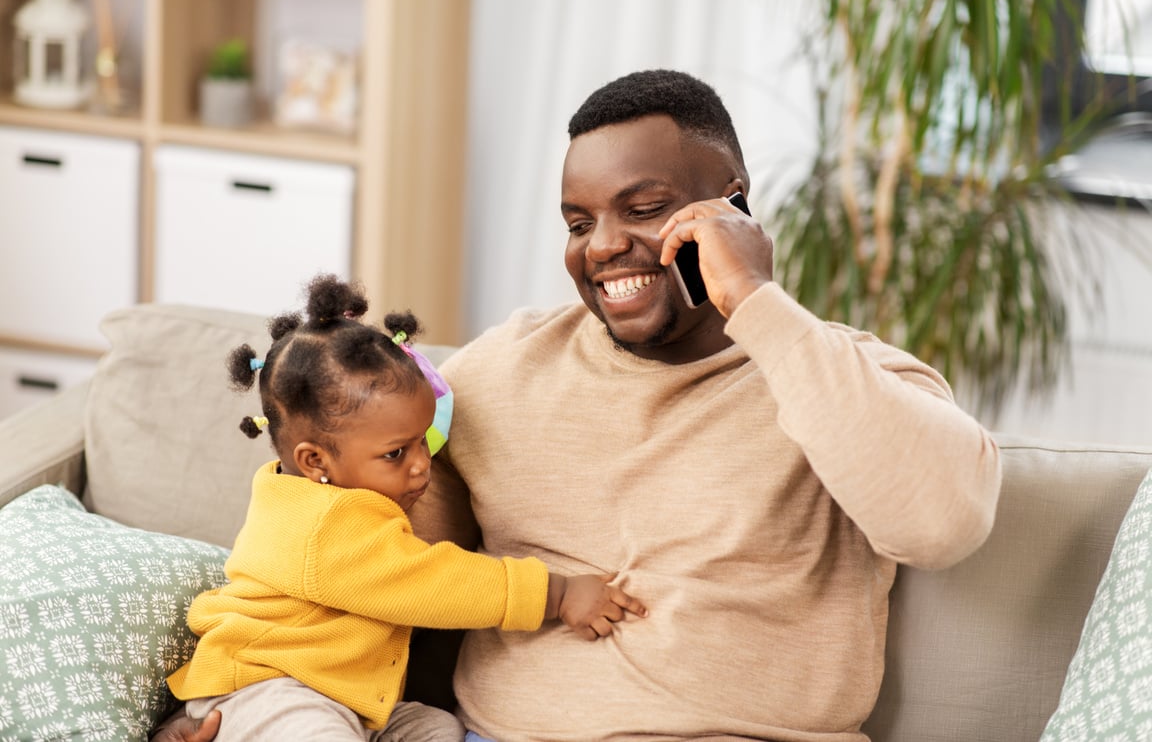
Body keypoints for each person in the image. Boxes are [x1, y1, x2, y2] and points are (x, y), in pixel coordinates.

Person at [157, 69, 1001, 742]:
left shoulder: (837, 373)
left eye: (644, 209)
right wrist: (227, 715)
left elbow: (943, 524)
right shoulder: (502, 372)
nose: (601, 246)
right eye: (577, 221)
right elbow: (343, 561)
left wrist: (757, 305)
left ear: (734, 204)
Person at [161, 274, 647, 742]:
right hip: (269, 688)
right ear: (315, 461)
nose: (422, 466)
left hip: (346, 697)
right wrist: (555, 593)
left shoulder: (309, 493)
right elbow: (432, 582)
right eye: (396, 453)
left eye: (424, 441)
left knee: (438, 729)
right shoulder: (327, 525)